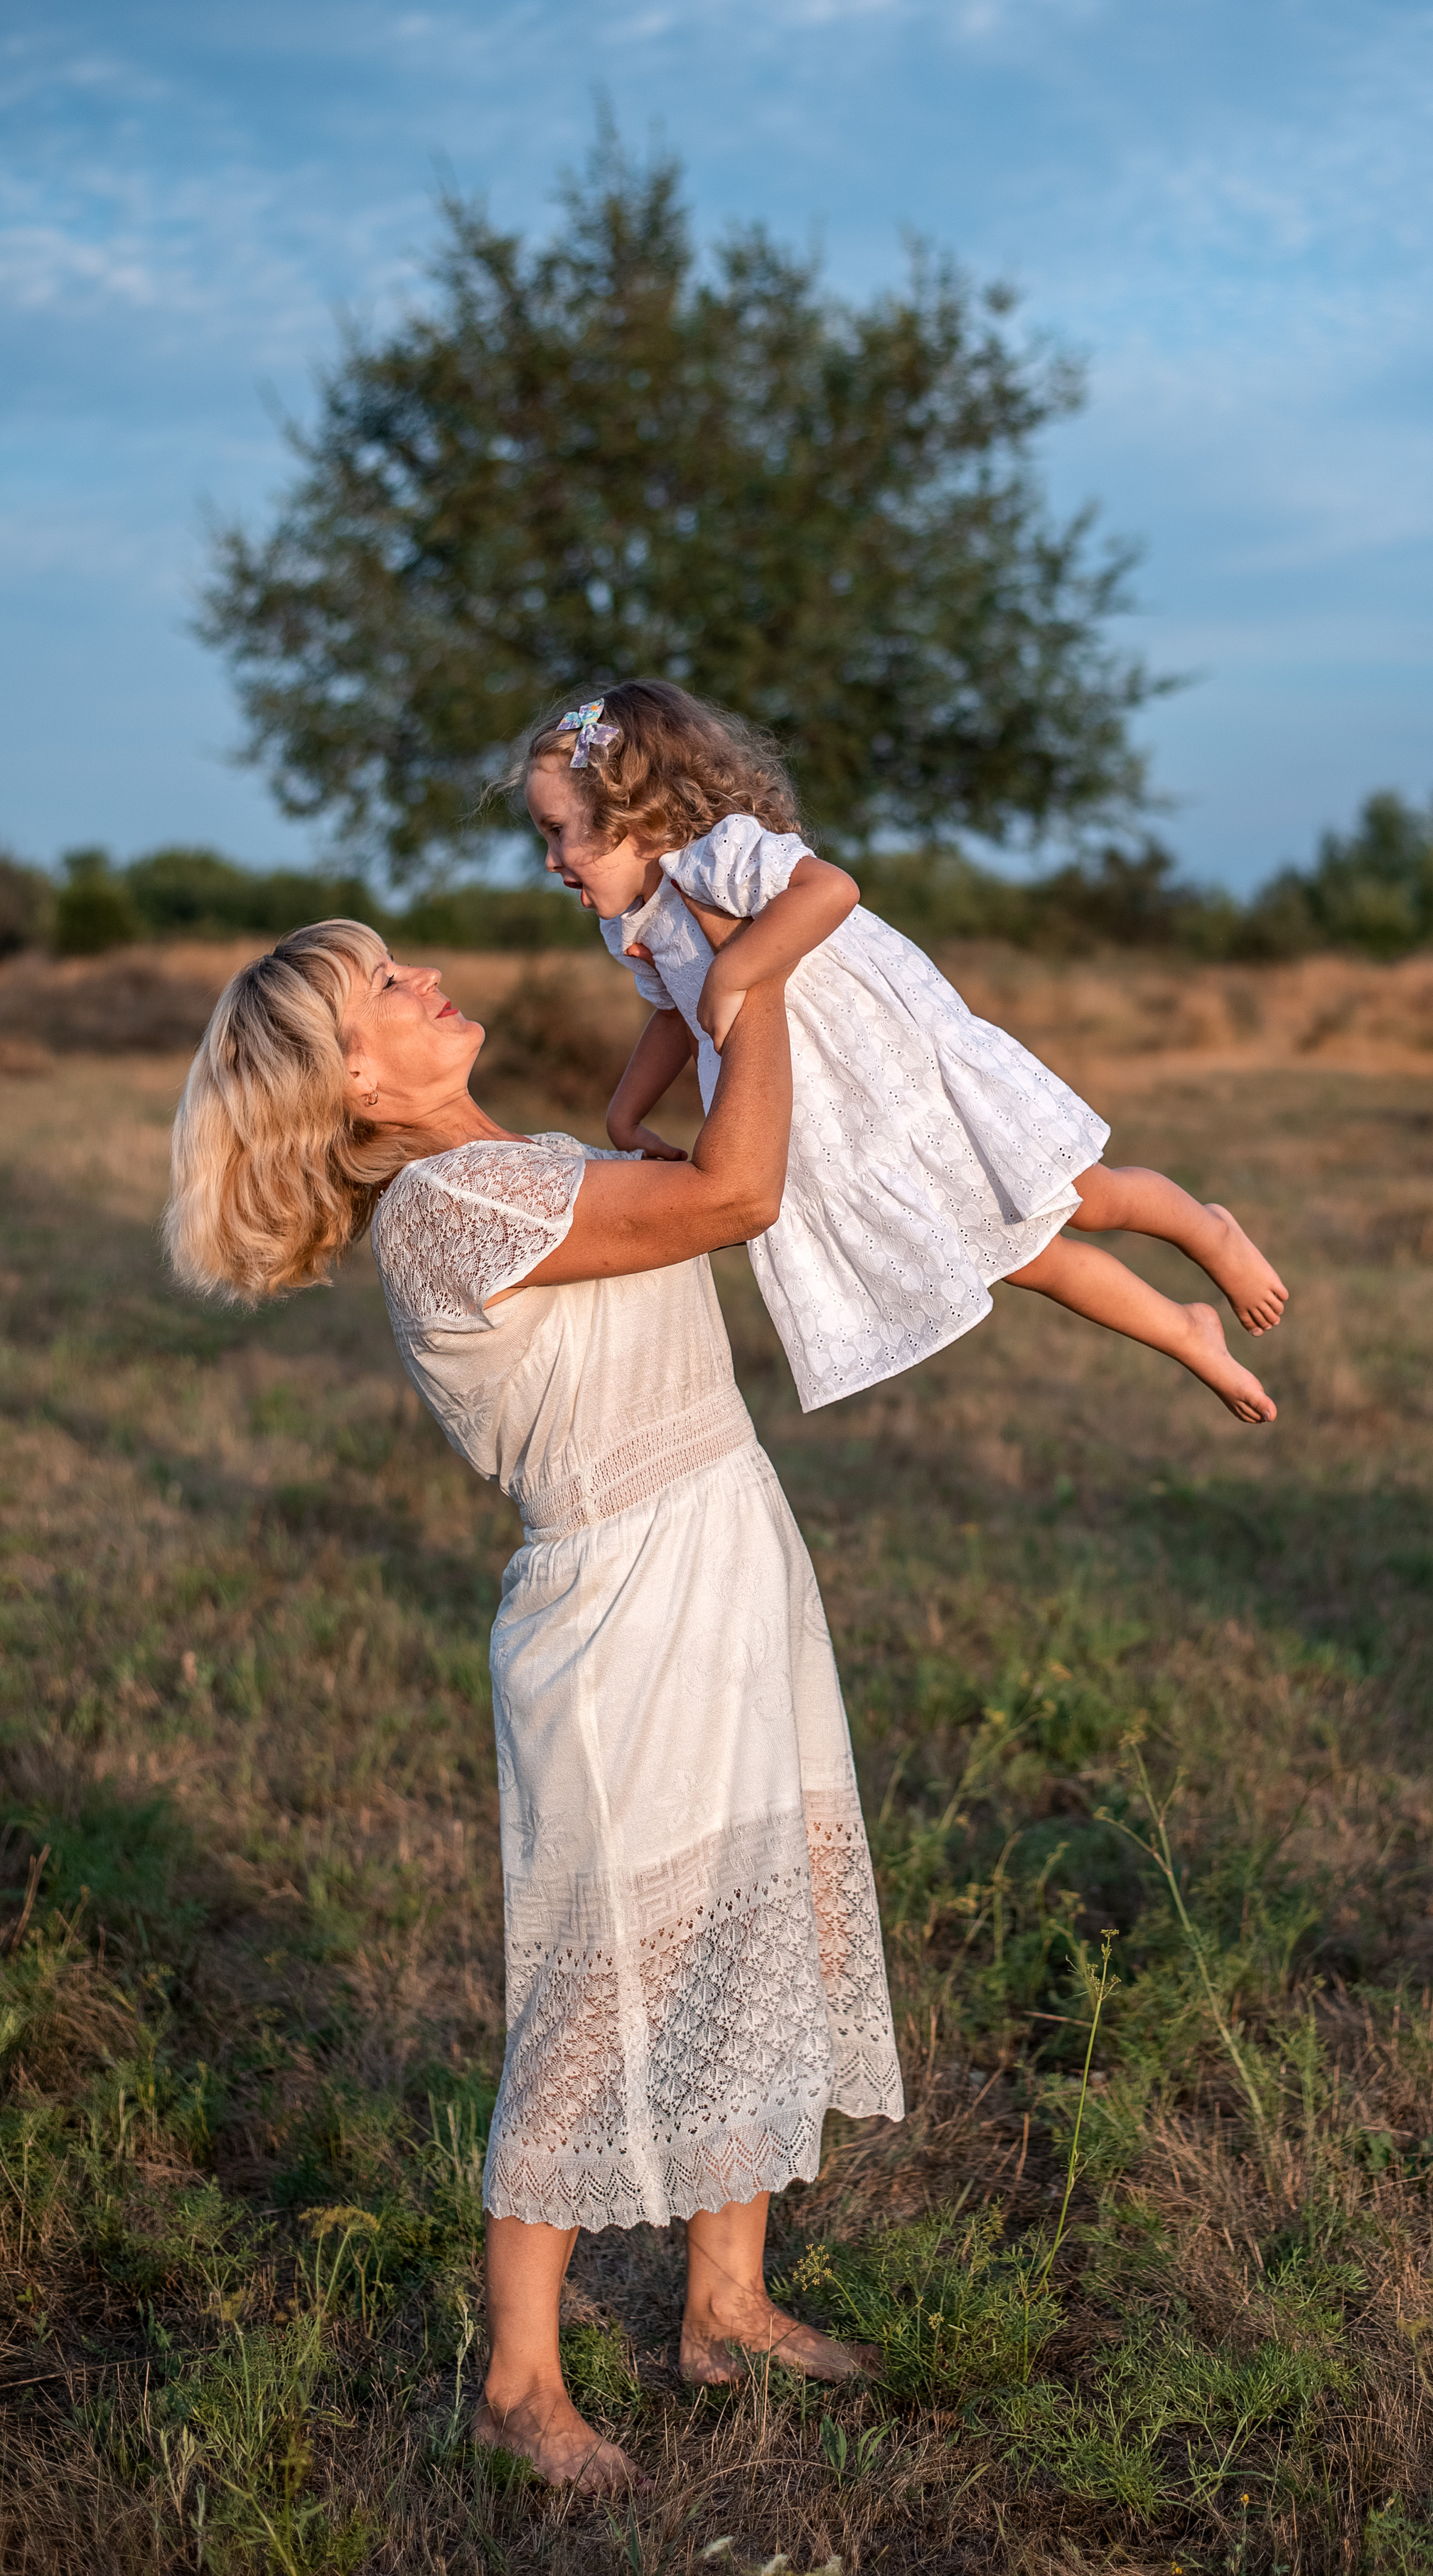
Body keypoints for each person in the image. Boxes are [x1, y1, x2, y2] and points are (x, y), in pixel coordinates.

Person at [164, 921, 903, 2491]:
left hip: (724, 1550)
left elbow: (688, 1151)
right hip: (623, 1612)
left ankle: (723, 2303)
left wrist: (701, 976)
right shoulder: (442, 1210)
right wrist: (745, 981)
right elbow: (734, 1191)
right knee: (599, 1983)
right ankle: (514, 2384)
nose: (424, 975)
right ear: (352, 1081)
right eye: (385, 990)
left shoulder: (530, 1164)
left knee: (750, 1912)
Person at [512, 682, 1287, 1423]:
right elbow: (676, 1020)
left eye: (557, 830)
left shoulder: (720, 856)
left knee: (1086, 1197)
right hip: (836, 1121)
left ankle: (1205, 1229)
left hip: (902, 1073)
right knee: (1020, 1260)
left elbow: (829, 891)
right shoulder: (633, 926)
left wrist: (737, 967)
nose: (549, 859)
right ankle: (1184, 1330)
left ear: (634, 811)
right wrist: (626, 1111)